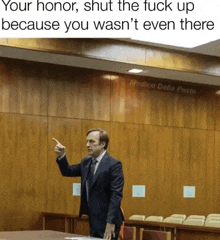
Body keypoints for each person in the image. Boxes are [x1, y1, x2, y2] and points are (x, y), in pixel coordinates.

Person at [53, 128, 124, 240]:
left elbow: (116, 195)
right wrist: (62, 155)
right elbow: (67, 171)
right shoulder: (86, 162)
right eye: (87, 141)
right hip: (93, 218)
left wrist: (110, 222)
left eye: (92, 142)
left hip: (108, 221)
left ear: (103, 144)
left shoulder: (113, 164)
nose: (87, 145)